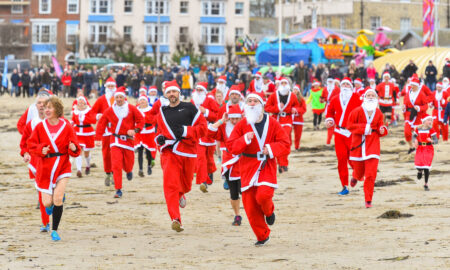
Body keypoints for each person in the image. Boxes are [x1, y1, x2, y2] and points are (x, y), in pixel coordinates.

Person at [227, 91, 290, 246]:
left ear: (262, 105)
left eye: (256, 101)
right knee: (249, 205)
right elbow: (231, 146)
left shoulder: (273, 123)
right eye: (249, 101)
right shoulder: (242, 124)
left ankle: (269, 211)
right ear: (245, 105)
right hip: (247, 166)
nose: (252, 103)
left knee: (263, 195)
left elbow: (285, 144)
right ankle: (262, 235)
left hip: (266, 165)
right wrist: (244, 139)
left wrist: (271, 149)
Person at [155, 80, 207, 232]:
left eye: (174, 91)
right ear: (166, 94)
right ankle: (175, 219)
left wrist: (185, 131)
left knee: (186, 184)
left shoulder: (189, 108)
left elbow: (203, 129)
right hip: (170, 152)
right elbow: (159, 133)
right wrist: (159, 140)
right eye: (169, 92)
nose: (171, 94)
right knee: (170, 185)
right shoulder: (162, 112)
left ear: (179, 93)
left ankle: (181, 194)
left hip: (188, 151)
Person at [27, 96, 81, 241]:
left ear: (57, 109)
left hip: (63, 164)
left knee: (57, 198)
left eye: (50, 107)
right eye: (45, 107)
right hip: (45, 166)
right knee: (46, 203)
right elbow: (31, 145)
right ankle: (52, 203)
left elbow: (76, 147)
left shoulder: (67, 125)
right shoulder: (40, 127)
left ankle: (54, 230)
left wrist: (74, 148)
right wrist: (40, 150)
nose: (46, 110)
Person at [95, 87, 144, 198]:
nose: (119, 99)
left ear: (124, 98)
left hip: (128, 140)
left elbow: (141, 120)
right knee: (116, 164)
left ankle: (128, 170)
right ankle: (118, 189)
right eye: (117, 97)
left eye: (121, 97)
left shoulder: (131, 108)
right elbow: (102, 123)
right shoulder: (110, 110)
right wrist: (98, 138)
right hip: (115, 140)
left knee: (128, 163)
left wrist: (135, 130)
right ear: (114, 98)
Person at [347, 89, 388, 208]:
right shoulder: (356, 111)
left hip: (373, 146)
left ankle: (368, 200)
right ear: (364, 97)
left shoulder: (379, 112)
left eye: (373, 95)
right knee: (360, 172)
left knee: (370, 175)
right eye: (368, 95)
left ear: (376, 98)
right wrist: (364, 128)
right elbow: (349, 126)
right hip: (358, 146)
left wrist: (382, 130)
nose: (370, 97)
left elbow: (381, 126)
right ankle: (356, 176)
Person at [325, 77, 362, 195]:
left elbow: (364, 112)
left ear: (351, 87)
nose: (345, 87)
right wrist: (329, 120)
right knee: (341, 159)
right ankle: (344, 186)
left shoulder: (357, 98)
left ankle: (357, 175)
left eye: (347, 85)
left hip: (352, 133)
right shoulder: (335, 99)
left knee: (353, 159)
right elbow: (329, 112)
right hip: (339, 132)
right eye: (343, 85)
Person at [208, 105, 244, 226]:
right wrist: (221, 121)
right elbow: (210, 132)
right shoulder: (224, 127)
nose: (234, 121)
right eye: (232, 118)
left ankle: (253, 212)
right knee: (233, 192)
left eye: (236, 118)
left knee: (244, 190)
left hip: (242, 161)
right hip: (229, 161)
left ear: (241, 117)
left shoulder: (246, 126)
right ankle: (237, 215)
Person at [19, 93, 50, 232]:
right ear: (35, 105)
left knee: (54, 194)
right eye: (39, 103)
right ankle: (45, 223)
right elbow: (24, 142)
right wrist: (25, 153)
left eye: (44, 103)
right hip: (37, 162)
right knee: (42, 191)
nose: (42, 106)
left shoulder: (58, 122)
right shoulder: (31, 124)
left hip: (54, 161)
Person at [265, 77, 301, 172]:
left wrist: (295, 109)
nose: (284, 85)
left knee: (284, 142)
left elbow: (297, 105)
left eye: (286, 83)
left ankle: (283, 163)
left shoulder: (292, 96)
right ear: (280, 84)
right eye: (282, 83)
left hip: (287, 121)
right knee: (277, 143)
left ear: (289, 84)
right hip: (275, 121)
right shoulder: (273, 95)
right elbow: (267, 108)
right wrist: (277, 107)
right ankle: (281, 164)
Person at [191, 82, 219, 192]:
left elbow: (217, 115)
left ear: (204, 91)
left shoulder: (210, 100)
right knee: (200, 158)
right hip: (198, 133)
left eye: (200, 89)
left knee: (209, 158)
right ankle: (203, 181)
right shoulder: (192, 102)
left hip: (210, 132)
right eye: (197, 89)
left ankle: (210, 174)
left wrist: (206, 112)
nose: (198, 91)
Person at [91, 77, 116, 186]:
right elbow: (92, 113)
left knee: (116, 153)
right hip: (105, 131)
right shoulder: (101, 100)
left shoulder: (120, 99)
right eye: (109, 86)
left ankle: (116, 174)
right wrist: (97, 116)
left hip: (117, 132)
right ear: (106, 87)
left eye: (112, 86)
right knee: (106, 154)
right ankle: (108, 173)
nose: (111, 88)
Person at [402, 76, 429, 154]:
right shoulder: (408, 94)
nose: (412, 86)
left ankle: (421, 148)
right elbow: (405, 103)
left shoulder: (421, 94)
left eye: (414, 85)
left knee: (418, 134)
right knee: (407, 132)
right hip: (409, 115)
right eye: (411, 85)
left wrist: (419, 108)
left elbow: (426, 106)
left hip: (418, 116)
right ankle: (411, 146)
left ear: (417, 85)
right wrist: (404, 107)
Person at [72, 95, 96, 178]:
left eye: (82, 102)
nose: (81, 104)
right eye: (79, 102)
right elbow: (73, 121)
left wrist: (84, 119)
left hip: (87, 132)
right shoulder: (75, 111)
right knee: (78, 151)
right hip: (78, 132)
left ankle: (88, 165)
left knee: (86, 153)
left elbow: (93, 121)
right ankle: (79, 170)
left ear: (85, 103)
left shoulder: (89, 111)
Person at [413, 115, 438, 191]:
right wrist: (415, 141)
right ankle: (419, 171)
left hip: (428, 148)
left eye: (431, 120)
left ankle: (426, 184)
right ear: (424, 121)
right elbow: (413, 136)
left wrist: (431, 141)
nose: (430, 122)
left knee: (426, 166)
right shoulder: (418, 128)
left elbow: (436, 141)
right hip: (420, 148)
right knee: (418, 164)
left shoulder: (431, 129)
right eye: (428, 120)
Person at [134, 93, 156, 176]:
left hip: (149, 132)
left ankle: (149, 166)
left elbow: (154, 120)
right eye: (141, 100)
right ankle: (140, 169)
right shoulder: (136, 110)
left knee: (148, 151)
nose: (142, 101)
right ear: (138, 102)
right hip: (139, 132)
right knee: (140, 151)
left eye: (144, 100)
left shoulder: (151, 109)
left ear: (147, 102)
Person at [322, 78, 340, 145]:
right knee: (329, 125)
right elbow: (322, 97)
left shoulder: (337, 89)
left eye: (331, 81)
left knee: (337, 124)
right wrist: (321, 100)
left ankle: (337, 140)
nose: (329, 82)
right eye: (328, 81)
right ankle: (328, 142)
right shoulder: (324, 89)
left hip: (336, 107)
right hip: (328, 108)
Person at [292, 84, 307, 151]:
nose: (295, 91)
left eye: (296, 90)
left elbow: (304, 109)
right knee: (286, 133)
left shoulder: (301, 99)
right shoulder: (289, 98)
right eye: (294, 89)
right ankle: (287, 146)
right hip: (289, 118)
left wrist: (296, 111)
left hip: (298, 119)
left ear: (298, 91)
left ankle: (297, 146)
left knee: (298, 135)